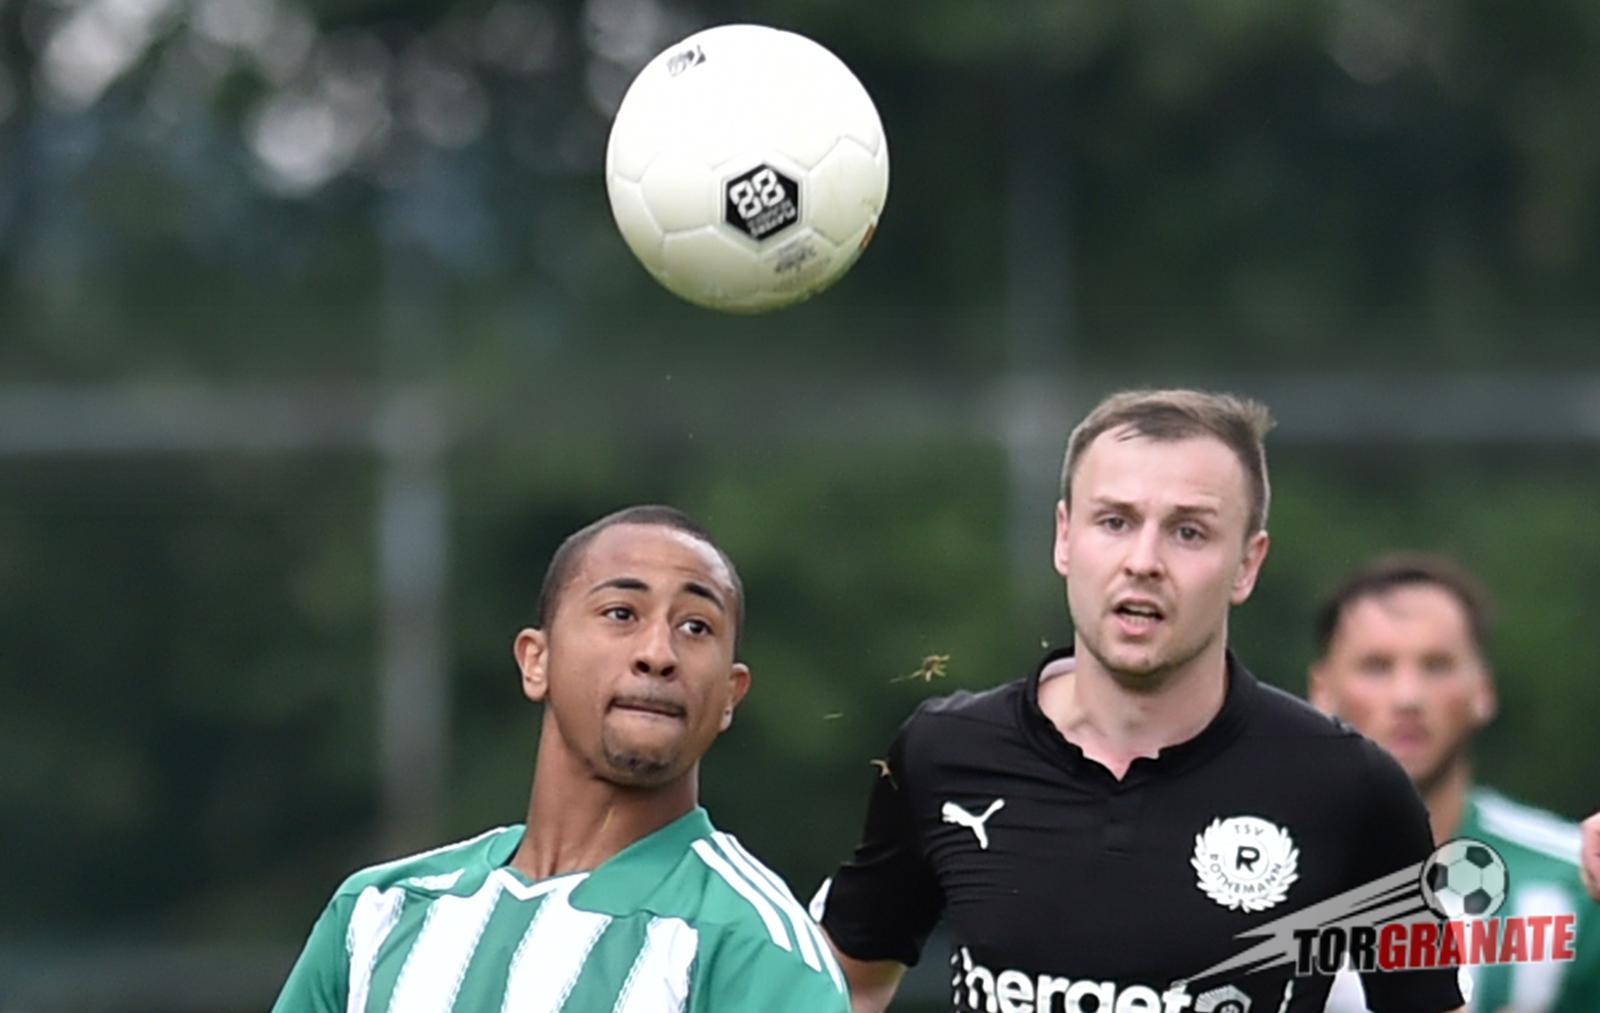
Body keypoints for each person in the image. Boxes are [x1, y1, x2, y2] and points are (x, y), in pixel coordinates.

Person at [814, 389, 1464, 1013]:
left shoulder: (1349, 788)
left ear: (1247, 564)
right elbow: (847, 989)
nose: (1144, 560)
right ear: (1064, 537)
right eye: (1115, 522)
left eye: (1189, 532)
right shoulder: (945, 752)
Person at [273, 505, 847, 1013]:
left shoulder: (754, 946)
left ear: (729, 697)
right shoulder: (379, 914)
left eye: (696, 627)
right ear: (536, 661)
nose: (658, 654)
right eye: (621, 613)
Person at [1310, 553, 1600, 1013]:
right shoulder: (1257, 878)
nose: (1408, 696)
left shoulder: (1575, 877)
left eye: (1437, 665)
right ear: (1322, 690)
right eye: (1376, 666)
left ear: (1483, 689)